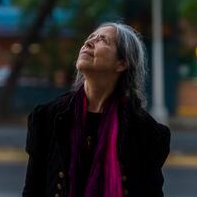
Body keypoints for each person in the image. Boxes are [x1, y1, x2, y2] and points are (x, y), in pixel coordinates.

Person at [22, 22, 171, 197]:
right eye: (90, 37)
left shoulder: (145, 131)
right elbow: (32, 190)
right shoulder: (49, 117)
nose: (89, 42)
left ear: (121, 64)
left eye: (103, 40)